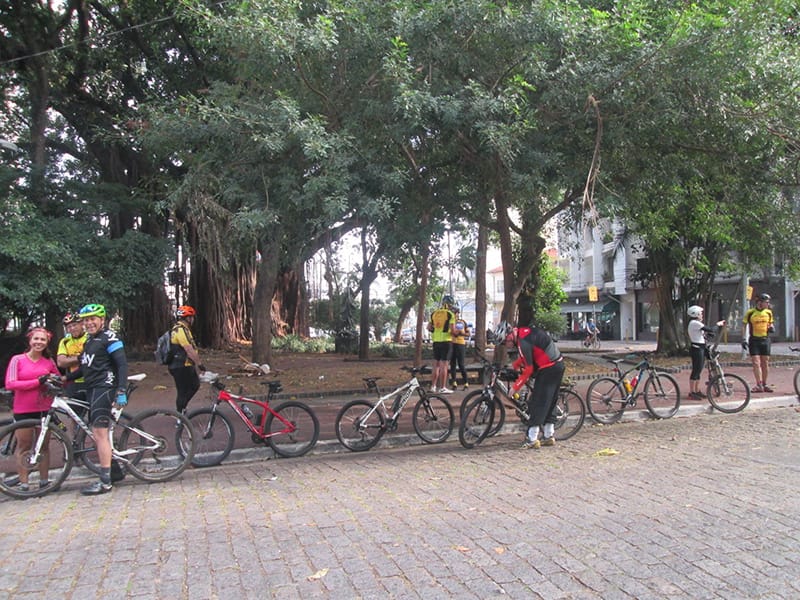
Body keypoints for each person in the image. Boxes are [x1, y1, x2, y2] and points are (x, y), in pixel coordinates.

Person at [64, 303, 128, 495]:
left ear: (102, 320)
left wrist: (121, 390)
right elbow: (85, 368)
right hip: (92, 388)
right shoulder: (89, 341)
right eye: (86, 320)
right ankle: (115, 472)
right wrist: (65, 379)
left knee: (99, 434)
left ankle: (105, 482)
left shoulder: (110, 338)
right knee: (100, 434)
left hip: (105, 388)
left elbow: (122, 365)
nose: (89, 323)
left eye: (93, 319)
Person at [3, 327, 60, 491]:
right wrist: (37, 382)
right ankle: (24, 483)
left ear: (47, 343)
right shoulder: (17, 360)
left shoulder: (48, 362)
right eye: (36, 339)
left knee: (43, 447)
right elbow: (10, 383)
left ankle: (44, 481)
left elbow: (58, 379)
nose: (39, 342)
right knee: (24, 446)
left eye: (43, 340)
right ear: (30, 340)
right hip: (23, 410)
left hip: (44, 409)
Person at [496, 320, 565, 449]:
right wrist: (515, 365)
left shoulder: (522, 342)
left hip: (548, 368)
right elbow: (527, 356)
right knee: (550, 401)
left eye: (505, 342)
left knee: (537, 403)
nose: (506, 345)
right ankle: (549, 436)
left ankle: (532, 439)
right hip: (558, 365)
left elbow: (528, 369)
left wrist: (515, 387)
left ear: (510, 335)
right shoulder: (524, 333)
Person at [168, 305, 206, 413]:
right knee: (189, 388)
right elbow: (189, 349)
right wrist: (199, 364)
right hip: (182, 365)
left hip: (178, 365)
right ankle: (180, 413)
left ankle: (181, 411)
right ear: (188, 318)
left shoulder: (178, 329)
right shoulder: (181, 330)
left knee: (186, 389)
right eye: (192, 317)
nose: (193, 319)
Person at [686, 305, 725, 399]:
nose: (702, 315)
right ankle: (692, 392)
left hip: (701, 347)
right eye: (700, 313)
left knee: (699, 370)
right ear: (695, 314)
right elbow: (710, 329)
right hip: (697, 348)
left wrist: (707, 336)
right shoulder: (694, 323)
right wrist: (718, 324)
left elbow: (702, 335)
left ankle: (697, 390)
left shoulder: (696, 323)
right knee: (696, 370)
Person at [742, 293, 775, 393]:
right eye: (766, 302)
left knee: (765, 362)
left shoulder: (768, 312)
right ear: (760, 302)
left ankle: (764, 384)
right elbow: (744, 325)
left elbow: (771, 323)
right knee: (756, 362)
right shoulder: (750, 312)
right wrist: (743, 339)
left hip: (765, 339)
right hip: (754, 340)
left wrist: (772, 327)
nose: (768, 304)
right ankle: (759, 384)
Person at [57, 312, 88, 402]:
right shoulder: (65, 341)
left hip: (90, 379)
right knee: (73, 409)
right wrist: (80, 358)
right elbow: (61, 362)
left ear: (81, 324)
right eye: (69, 327)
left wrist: (69, 359)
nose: (72, 328)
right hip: (73, 381)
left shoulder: (89, 337)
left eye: (74, 325)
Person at [428, 295, 455, 394]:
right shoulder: (450, 314)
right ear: (450, 304)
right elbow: (453, 330)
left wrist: (436, 330)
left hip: (436, 341)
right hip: (446, 341)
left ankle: (433, 386)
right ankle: (443, 387)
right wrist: (458, 333)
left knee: (436, 365)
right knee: (444, 365)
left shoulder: (434, 313)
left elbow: (429, 327)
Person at [449, 307, 470, 391]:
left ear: (458, 314)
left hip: (460, 344)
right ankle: (454, 383)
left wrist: (462, 333)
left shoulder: (462, 322)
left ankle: (466, 383)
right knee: (452, 364)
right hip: (451, 344)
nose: (454, 315)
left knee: (461, 364)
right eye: (453, 313)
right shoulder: (449, 322)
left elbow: (468, 334)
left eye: (455, 313)